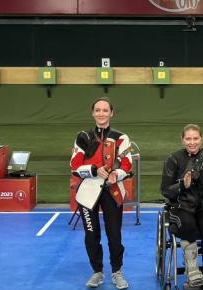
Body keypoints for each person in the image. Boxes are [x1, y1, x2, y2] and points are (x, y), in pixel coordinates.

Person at [70, 97, 132, 289]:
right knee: (91, 234)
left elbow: (127, 165)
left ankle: (117, 271)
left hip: (112, 191)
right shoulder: (83, 137)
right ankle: (97, 271)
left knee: (114, 234)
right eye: (98, 110)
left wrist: (116, 174)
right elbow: (74, 165)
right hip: (88, 191)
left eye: (105, 110)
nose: (101, 113)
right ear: (93, 113)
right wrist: (95, 170)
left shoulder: (121, 137)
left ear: (111, 113)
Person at [160, 124, 203, 290]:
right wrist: (183, 185)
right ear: (182, 140)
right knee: (187, 222)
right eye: (188, 138)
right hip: (181, 207)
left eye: (195, 138)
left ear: (201, 139)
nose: (192, 142)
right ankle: (193, 270)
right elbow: (165, 190)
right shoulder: (173, 159)